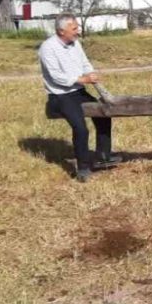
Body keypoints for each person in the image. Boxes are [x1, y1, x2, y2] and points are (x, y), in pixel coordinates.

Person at [39, 15, 121, 182]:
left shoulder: (76, 43)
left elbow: (84, 63)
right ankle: (83, 168)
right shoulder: (47, 48)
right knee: (81, 129)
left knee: (103, 114)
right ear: (62, 31)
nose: (78, 31)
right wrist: (83, 79)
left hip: (78, 91)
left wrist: (91, 74)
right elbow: (56, 77)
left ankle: (103, 157)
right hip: (60, 95)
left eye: (77, 28)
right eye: (74, 28)